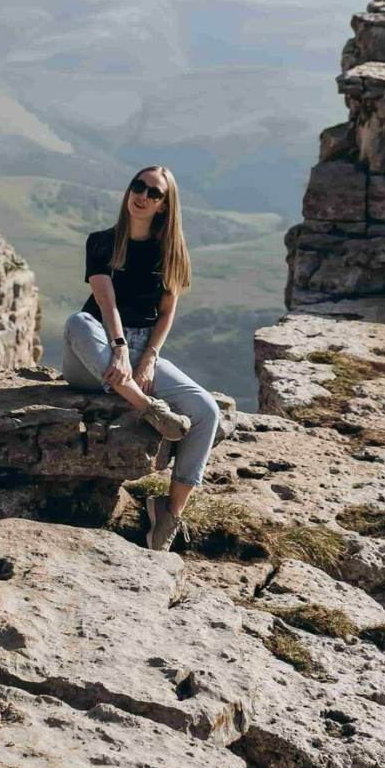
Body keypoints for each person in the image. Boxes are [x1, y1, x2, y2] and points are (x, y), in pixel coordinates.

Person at [62, 165, 221, 552]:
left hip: (140, 352)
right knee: (78, 320)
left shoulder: (169, 253)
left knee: (206, 410)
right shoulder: (101, 242)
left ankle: (168, 512)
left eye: (155, 193)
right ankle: (150, 409)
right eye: (139, 186)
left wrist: (148, 357)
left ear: (165, 205)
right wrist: (118, 348)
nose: (143, 196)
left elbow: (166, 314)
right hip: (94, 352)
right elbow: (105, 300)